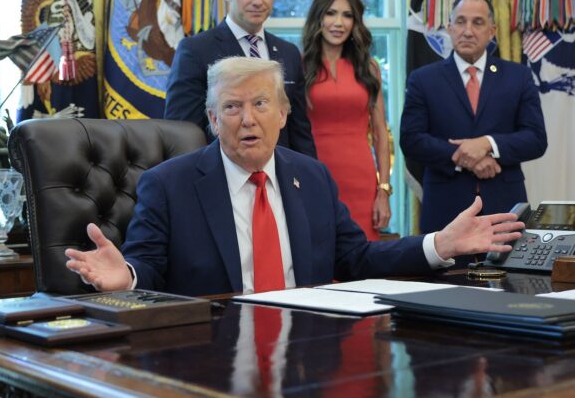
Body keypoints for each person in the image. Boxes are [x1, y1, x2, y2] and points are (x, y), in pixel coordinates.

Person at [65, 57, 523, 296]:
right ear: (211, 117)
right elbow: (149, 271)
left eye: (261, 104)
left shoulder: (313, 177)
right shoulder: (168, 184)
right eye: (232, 107)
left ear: (283, 114)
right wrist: (124, 276)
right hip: (210, 356)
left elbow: (357, 260)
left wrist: (438, 244)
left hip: (308, 349)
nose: (248, 119)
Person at [400, 0, 547, 237]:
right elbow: (411, 139)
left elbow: (536, 139)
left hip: (504, 207)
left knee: (510, 276)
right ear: (449, 28)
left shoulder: (518, 77)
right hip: (445, 207)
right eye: (460, 22)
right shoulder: (423, 79)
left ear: (492, 31)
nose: (468, 31)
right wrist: (463, 156)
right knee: (442, 276)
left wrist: (487, 144)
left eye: (477, 23)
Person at [164, 0, 316, 158]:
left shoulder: (288, 54)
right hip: (218, 181)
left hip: (278, 183)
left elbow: (300, 135)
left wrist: (308, 184)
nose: (257, 1)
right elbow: (182, 136)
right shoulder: (195, 51)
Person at [302, 0, 391, 241]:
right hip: (314, 178)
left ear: (355, 22)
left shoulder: (369, 68)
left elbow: (381, 135)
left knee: (362, 263)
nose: (338, 22)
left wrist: (383, 190)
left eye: (347, 15)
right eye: (331, 13)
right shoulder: (299, 67)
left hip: (362, 180)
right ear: (318, 17)